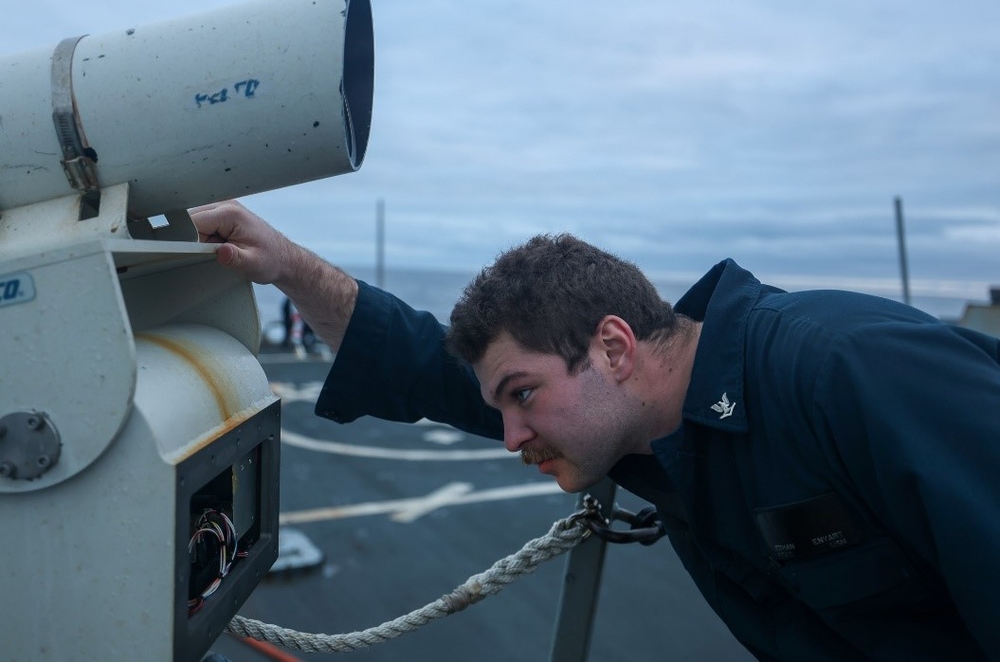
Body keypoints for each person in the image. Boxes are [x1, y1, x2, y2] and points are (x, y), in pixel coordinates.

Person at [190, 200, 1000, 661]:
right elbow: (415, 362)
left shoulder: (845, 372)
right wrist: (289, 266)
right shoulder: (641, 418)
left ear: (612, 347)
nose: (508, 437)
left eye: (521, 396)